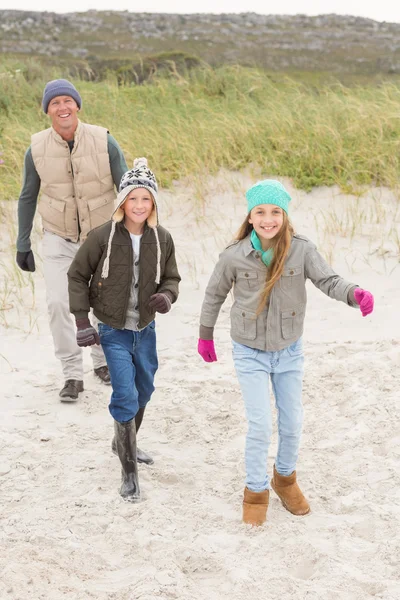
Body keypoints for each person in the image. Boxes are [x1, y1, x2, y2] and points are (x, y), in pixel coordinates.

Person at [197, 179, 374, 526]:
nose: (268, 219)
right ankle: (256, 491)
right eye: (260, 212)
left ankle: (285, 479)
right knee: (261, 425)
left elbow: (329, 280)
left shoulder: (302, 250)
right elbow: (213, 295)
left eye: (275, 212)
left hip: (289, 350)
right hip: (249, 351)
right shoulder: (234, 255)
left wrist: (354, 294)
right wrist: (205, 335)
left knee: (292, 422)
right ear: (250, 217)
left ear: (285, 214)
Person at [67, 158, 181, 502]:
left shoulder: (161, 238)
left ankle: (123, 441)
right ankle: (128, 473)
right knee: (125, 395)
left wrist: (166, 295)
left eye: (146, 199)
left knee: (144, 388)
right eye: (133, 198)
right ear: (122, 202)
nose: (139, 206)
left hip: (145, 329)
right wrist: (83, 322)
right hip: (112, 330)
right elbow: (76, 275)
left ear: (154, 204)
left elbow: (172, 277)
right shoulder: (102, 237)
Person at [15, 78, 128, 401]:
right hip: (57, 237)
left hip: (101, 236)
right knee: (58, 304)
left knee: (102, 302)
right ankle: (71, 374)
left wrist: (138, 232)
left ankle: (102, 362)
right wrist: (23, 243)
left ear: (77, 105)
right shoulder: (36, 148)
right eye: (54, 103)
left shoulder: (104, 140)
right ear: (47, 111)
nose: (62, 108)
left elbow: (127, 186)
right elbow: (27, 197)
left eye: (67, 101)